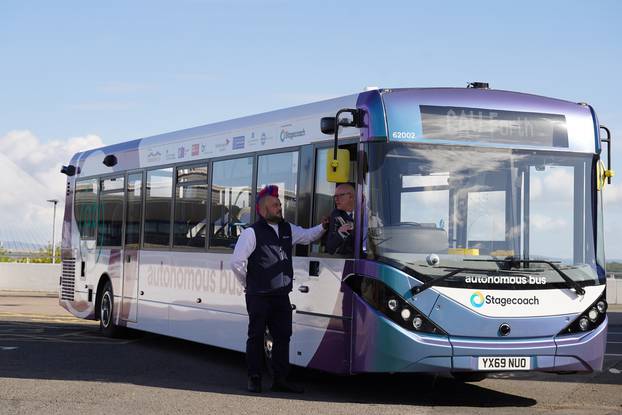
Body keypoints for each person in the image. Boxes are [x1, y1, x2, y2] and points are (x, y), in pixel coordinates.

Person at [231, 185, 328, 393]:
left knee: (283, 337)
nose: (279, 207)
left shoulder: (287, 228)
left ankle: (280, 380)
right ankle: (254, 378)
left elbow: (309, 236)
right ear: (264, 210)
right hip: (259, 296)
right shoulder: (251, 233)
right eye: (275, 205)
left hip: (281, 295)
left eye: (280, 204)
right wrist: (247, 284)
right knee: (256, 337)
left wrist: (323, 227)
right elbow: (237, 262)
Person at [325, 183, 355, 255]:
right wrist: (340, 233)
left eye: (340, 195)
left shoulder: (366, 214)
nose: (336, 199)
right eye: (335, 196)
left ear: (350, 196)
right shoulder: (336, 214)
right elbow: (330, 248)